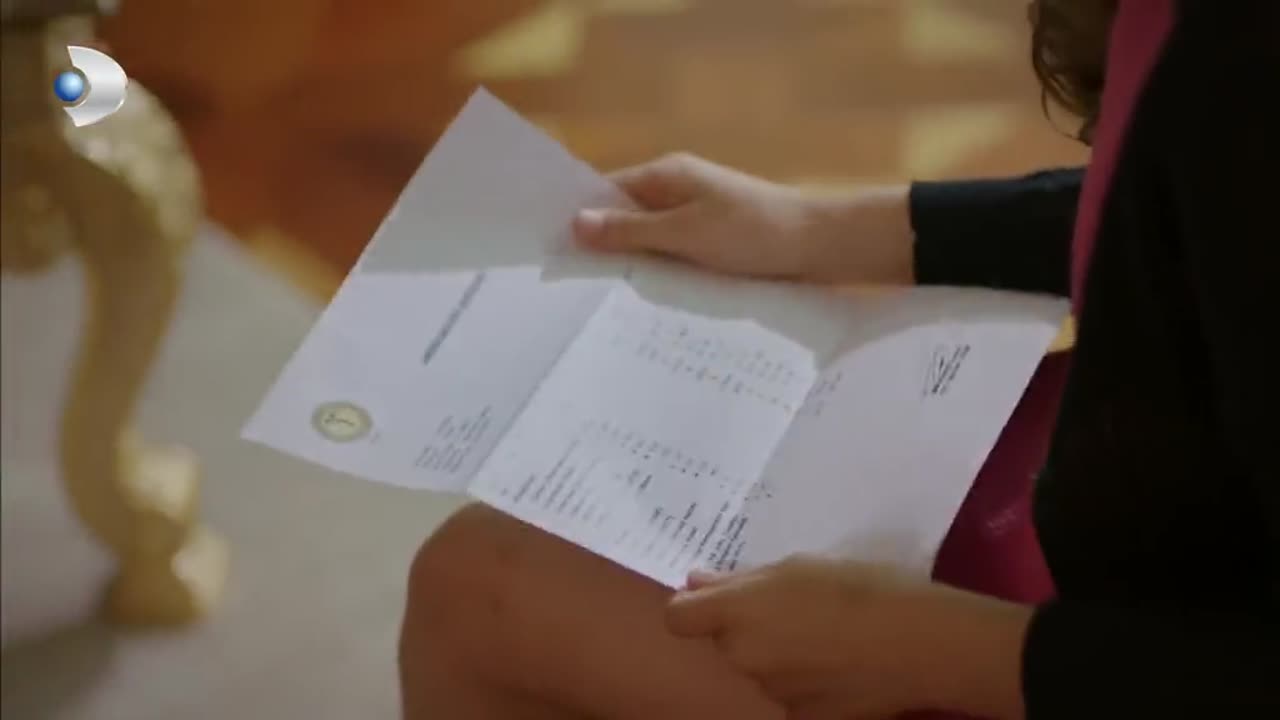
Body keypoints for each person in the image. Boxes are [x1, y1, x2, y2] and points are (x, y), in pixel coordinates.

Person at [399, 0, 1279, 717]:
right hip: (1138, 506)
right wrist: (821, 228)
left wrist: (927, 650)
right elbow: (1178, 195)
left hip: (1121, 653)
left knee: (473, 588)